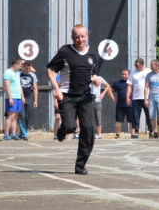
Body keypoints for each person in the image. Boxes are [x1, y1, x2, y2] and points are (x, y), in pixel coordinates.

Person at [47, 24, 99, 175]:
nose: (80, 39)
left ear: (87, 37)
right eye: (77, 36)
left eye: (82, 36)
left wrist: (95, 80)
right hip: (67, 95)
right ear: (72, 38)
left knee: (88, 129)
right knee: (70, 126)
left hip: (86, 96)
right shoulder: (65, 52)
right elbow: (50, 70)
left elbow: (93, 74)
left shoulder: (93, 55)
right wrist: (56, 89)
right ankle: (63, 130)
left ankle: (80, 165)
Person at [128, 58, 150, 138]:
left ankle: (151, 130)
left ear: (142, 64)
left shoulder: (148, 72)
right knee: (136, 116)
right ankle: (136, 131)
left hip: (147, 97)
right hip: (136, 97)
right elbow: (129, 86)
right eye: (135, 65)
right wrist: (128, 97)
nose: (136, 67)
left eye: (137, 65)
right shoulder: (133, 73)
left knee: (149, 115)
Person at [2, 58, 24, 141]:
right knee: (10, 116)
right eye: (19, 65)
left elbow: (19, 85)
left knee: (15, 117)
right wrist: (10, 98)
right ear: (15, 64)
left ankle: (14, 134)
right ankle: (6, 134)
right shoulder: (7, 73)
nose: (20, 67)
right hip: (12, 97)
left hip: (18, 97)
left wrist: (22, 96)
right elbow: (7, 86)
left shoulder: (17, 73)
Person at [18, 61, 38, 141]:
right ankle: (23, 134)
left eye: (29, 68)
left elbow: (35, 88)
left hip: (28, 97)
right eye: (26, 68)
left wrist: (35, 100)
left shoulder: (32, 75)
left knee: (27, 116)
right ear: (23, 67)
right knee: (21, 116)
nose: (28, 70)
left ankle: (24, 132)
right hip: (19, 97)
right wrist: (23, 62)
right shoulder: (18, 74)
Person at [90, 75, 114, 139]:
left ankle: (99, 134)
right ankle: (89, 134)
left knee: (98, 118)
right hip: (88, 101)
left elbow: (108, 85)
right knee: (89, 118)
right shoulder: (87, 78)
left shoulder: (99, 78)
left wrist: (103, 93)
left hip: (97, 101)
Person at [112, 69, 132, 139]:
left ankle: (132, 135)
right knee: (118, 121)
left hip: (130, 105)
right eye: (123, 74)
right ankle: (117, 135)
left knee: (131, 121)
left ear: (129, 75)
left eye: (125, 75)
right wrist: (113, 99)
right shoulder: (118, 83)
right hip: (120, 105)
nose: (123, 76)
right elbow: (109, 89)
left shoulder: (131, 83)